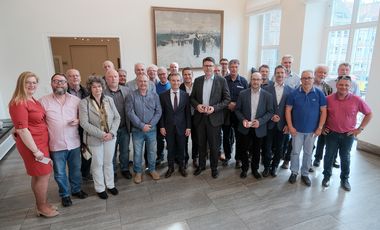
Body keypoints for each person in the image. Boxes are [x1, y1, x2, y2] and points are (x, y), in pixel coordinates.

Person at [9, 71, 59, 217]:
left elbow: (26, 121)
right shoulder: (19, 102)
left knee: (38, 175)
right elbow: (23, 130)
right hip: (32, 145)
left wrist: (15, 128)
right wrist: (36, 151)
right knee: (43, 174)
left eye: (34, 82)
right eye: (27, 82)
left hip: (40, 142)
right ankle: (42, 207)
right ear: (21, 84)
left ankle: (41, 204)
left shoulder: (32, 100)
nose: (31, 85)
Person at [39, 73, 88, 207]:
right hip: (56, 144)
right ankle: (65, 194)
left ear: (67, 84)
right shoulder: (43, 101)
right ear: (51, 84)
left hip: (74, 142)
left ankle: (76, 189)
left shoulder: (75, 100)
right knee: (60, 173)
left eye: (62, 81)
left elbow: (84, 117)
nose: (59, 84)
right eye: (56, 81)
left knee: (75, 169)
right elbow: (37, 122)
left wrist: (78, 120)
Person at [322, 75, 372, 191]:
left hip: (348, 135)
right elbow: (322, 114)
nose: (343, 87)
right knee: (329, 156)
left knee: (345, 158)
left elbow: (369, 114)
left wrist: (360, 129)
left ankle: (344, 179)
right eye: (341, 84)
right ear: (336, 85)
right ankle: (326, 177)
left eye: (346, 85)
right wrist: (323, 126)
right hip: (331, 134)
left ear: (350, 87)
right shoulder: (328, 99)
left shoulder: (357, 100)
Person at [79, 76, 120, 199]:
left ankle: (110, 185)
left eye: (99, 86)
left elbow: (117, 117)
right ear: (90, 88)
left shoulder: (109, 100)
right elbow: (84, 123)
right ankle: (100, 188)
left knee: (108, 162)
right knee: (97, 164)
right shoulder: (84, 103)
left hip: (110, 138)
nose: (97, 89)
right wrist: (102, 134)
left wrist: (112, 133)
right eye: (94, 87)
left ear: (103, 87)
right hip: (94, 139)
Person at [190, 56, 231, 178]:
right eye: (206, 65)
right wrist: (197, 106)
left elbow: (227, 99)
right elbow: (192, 98)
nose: (208, 68)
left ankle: (214, 168)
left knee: (214, 146)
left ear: (214, 67)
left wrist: (214, 108)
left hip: (215, 119)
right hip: (200, 118)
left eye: (210, 65)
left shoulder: (221, 81)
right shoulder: (197, 81)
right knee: (201, 144)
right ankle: (202, 166)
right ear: (203, 67)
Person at [286, 70, 327, 186]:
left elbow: (323, 112)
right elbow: (288, 110)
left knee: (308, 153)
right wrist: (290, 126)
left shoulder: (319, 94)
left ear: (313, 79)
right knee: (295, 152)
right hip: (296, 130)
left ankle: (305, 173)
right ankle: (294, 172)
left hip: (312, 132)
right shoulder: (293, 94)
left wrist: (320, 127)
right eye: (304, 78)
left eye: (309, 78)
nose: (307, 80)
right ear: (301, 80)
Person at [235, 72, 273, 179]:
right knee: (243, 149)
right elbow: (237, 110)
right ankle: (244, 169)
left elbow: (270, 112)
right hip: (245, 127)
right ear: (250, 80)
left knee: (256, 150)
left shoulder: (267, 96)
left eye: (258, 79)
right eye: (253, 79)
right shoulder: (243, 94)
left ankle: (255, 169)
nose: (255, 82)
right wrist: (243, 120)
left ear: (262, 81)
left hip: (259, 128)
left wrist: (260, 121)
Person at [126, 75, 162, 184]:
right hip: (138, 130)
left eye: (145, 81)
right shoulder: (131, 95)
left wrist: (150, 125)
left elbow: (158, 111)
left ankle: (152, 169)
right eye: (140, 81)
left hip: (152, 129)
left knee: (151, 151)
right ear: (137, 82)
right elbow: (130, 112)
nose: (143, 83)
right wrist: (142, 125)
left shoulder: (154, 95)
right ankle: (138, 172)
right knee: (137, 152)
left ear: (149, 83)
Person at [159, 73, 191, 178]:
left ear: (180, 81)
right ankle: (171, 167)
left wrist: (188, 127)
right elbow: (162, 113)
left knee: (182, 148)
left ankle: (182, 167)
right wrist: (162, 126)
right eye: (173, 80)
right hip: (168, 127)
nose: (176, 82)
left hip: (182, 127)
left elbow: (187, 113)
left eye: (178, 80)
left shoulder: (185, 95)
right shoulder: (163, 95)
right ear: (169, 81)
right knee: (171, 148)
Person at [262, 65, 292, 177]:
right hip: (268, 124)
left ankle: (274, 167)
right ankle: (266, 167)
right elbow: (262, 107)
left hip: (282, 125)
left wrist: (288, 124)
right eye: (278, 73)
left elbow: (291, 110)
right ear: (274, 74)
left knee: (279, 148)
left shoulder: (290, 91)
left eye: (282, 73)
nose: (280, 75)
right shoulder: (266, 89)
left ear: (286, 75)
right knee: (267, 147)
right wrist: (270, 117)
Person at [103, 69, 132, 180]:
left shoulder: (127, 90)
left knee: (125, 151)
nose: (113, 78)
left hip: (124, 127)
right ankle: (113, 171)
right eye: (110, 77)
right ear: (106, 79)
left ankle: (124, 169)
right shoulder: (103, 93)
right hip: (110, 130)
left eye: (115, 76)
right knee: (111, 152)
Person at [66, 69, 91, 181]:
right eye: (71, 76)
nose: (75, 78)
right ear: (67, 79)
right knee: (73, 155)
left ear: (80, 77)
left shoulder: (86, 92)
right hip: (69, 128)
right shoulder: (63, 92)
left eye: (77, 75)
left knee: (87, 151)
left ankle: (85, 173)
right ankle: (75, 177)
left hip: (85, 127)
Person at [222, 59, 248, 168]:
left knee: (239, 138)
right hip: (226, 113)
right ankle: (227, 156)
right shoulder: (223, 80)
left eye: (236, 67)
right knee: (226, 137)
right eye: (231, 67)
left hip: (239, 114)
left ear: (238, 67)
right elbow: (220, 95)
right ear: (229, 67)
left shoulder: (243, 81)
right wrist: (228, 104)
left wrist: (236, 105)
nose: (233, 69)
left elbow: (247, 98)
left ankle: (238, 159)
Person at [280, 54, 301, 169]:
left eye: (289, 63)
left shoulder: (297, 78)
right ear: (282, 63)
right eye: (285, 62)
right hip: (278, 111)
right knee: (280, 136)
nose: (287, 65)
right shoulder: (276, 75)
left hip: (290, 112)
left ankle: (286, 160)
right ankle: (279, 155)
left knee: (289, 138)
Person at [312, 65, 333, 168]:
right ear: (315, 73)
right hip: (309, 116)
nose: (322, 75)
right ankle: (307, 160)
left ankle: (317, 159)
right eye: (320, 72)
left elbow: (329, 105)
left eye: (325, 73)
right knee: (309, 140)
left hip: (321, 117)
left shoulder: (328, 88)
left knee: (321, 139)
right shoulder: (308, 84)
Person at [180, 67, 198, 167]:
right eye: (185, 74)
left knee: (196, 139)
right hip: (184, 118)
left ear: (192, 75)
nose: (187, 76)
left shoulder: (198, 86)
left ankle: (195, 158)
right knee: (185, 140)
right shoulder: (179, 87)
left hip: (196, 117)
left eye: (189, 74)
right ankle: (185, 159)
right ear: (183, 76)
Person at [155, 67, 171, 164]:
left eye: (163, 74)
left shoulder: (172, 84)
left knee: (171, 139)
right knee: (160, 139)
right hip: (159, 116)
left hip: (170, 117)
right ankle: (160, 156)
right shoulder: (155, 86)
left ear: (167, 74)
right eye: (160, 74)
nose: (162, 76)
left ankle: (172, 156)